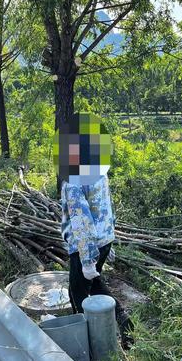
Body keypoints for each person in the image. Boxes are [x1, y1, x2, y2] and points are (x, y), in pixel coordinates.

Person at [55, 112, 133, 347]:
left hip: (86, 245)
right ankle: (125, 325)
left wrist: (88, 259)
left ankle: (90, 342)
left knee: (77, 293)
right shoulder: (99, 170)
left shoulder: (73, 180)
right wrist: (109, 239)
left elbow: (81, 222)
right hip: (103, 239)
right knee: (96, 284)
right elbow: (107, 208)